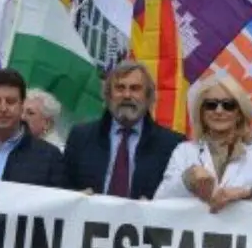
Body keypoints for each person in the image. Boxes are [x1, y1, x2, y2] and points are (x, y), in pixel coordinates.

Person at [154, 77, 252, 208]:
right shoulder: (183, 152)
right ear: (202, 113)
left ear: (239, 113)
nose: (219, 111)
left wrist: (247, 194)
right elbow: (160, 203)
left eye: (228, 105)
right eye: (211, 105)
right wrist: (187, 180)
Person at [62, 62, 182, 199]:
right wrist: (74, 197)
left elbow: (177, 198)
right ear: (108, 95)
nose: (126, 95)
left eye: (135, 88)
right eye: (120, 88)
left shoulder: (172, 145)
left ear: (148, 97)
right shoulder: (80, 137)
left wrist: (155, 207)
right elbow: (62, 188)